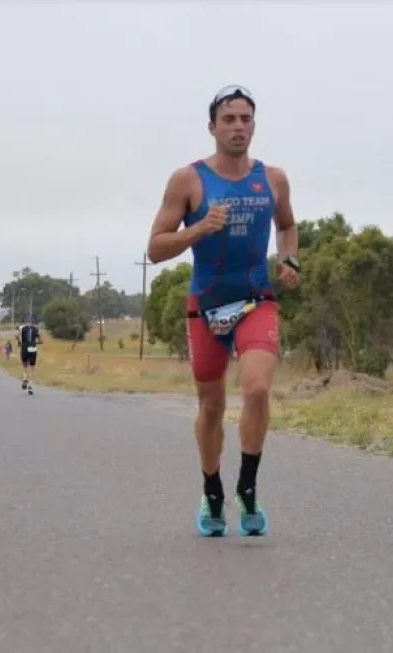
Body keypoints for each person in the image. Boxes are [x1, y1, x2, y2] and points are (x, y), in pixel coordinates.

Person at [146, 84, 300, 537]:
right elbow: (155, 248)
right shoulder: (188, 180)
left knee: (256, 389)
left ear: (254, 125)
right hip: (206, 306)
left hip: (257, 300)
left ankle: (247, 488)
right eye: (228, 119)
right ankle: (212, 493)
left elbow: (287, 225)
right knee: (211, 407)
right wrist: (197, 229)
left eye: (245, 119)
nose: (238, 127)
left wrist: (289, 259)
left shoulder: (273, 179)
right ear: (212, 127)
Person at [15, 320, 41, 394]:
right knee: (32, 369)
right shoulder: (36, 329)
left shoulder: (21, 328)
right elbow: (40, 340)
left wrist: (20, 342)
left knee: (25, 366)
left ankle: (25, 378)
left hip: (24, 348)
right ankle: (30, 387)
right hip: (33, 349)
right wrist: (35, 343)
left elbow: (16, 336)